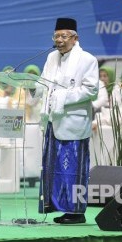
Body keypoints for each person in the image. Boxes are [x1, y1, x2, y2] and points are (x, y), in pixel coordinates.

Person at [33, 18, 98, 224]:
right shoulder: (51, 57)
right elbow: (43, 81)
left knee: (73, 168)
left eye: (63, 36)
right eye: (56, 36)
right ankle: (56, 206)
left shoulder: (87, 59)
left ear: (75, 38)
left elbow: (92, 90)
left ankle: (77, 212)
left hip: (73, 122)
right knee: (53, 167)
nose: (59, 40)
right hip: (53, 121)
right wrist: (30, 87)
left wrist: (62, 96)